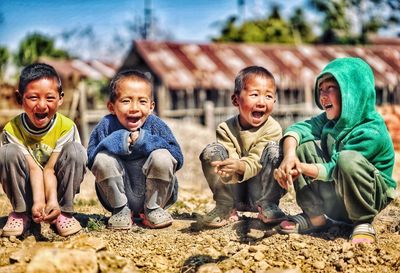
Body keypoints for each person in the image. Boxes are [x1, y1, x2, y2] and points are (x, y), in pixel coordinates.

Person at [274, 57, 396, 243]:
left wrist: (300, 168)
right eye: (320, 89)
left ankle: (362, 223)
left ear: (352, 92)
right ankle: (316, 217)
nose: (323, 96)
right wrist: (290, 156)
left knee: (346, 159)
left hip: (369, 198)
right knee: (302, 145)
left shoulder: (371, 131)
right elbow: (297, 130)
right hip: (338, 196)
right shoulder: (331, 120)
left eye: (330, 88)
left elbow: (334, 168)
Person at [87, 69, 183, 229]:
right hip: (117, 195)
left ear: (151, 106)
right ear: (111, 106)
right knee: (102, 158)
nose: (134, 108)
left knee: (163, 156)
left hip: (155, 194)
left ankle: (153, 209)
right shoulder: (105, 125)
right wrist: (121, 139)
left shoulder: (156, 125)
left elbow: (177, 156)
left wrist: (144, 140)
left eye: (142, 102)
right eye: (126, 101)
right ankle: (121, 210)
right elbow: (91, 159)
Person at [0, 63, 87, 237]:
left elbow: (49, 170)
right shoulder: (12, 129)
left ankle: (63, 212)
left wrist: (52, 200)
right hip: (27, 191)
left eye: (49, 98)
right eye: (33, 97)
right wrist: (38, 201)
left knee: (76, 151)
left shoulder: (66, 127)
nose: (41, 105)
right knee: (6, 153)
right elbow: (34, 169)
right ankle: (21, 213)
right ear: (19, 98)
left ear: (60, 98)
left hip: (57, 189)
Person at [199, 65, 286, 228]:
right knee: (211, 152)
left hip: (260, 193)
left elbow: (257, 161)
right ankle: (225, 206)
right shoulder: (225, 128)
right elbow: (228, 166)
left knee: (275, 151)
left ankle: (269, 205)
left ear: (274, 100)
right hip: (234, 192)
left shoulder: (273, 128)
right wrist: (226, 168)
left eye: (268, 96)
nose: (261, 102)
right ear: (235, 100)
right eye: (254, 95)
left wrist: (239, 165)